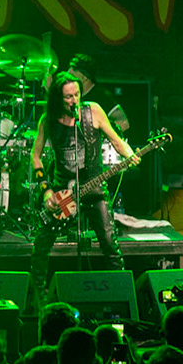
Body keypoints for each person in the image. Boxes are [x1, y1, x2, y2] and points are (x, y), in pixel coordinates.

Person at [29, 75, 136, 285]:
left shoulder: (93, 111)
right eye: (68, 97)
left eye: (77, 94)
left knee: (109, 245)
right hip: (63, 192)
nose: (74, 100)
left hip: (94, 188)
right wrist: (46, 190)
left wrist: (130, 154)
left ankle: (120, 296)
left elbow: (116, 140)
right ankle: (36, 301)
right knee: (41, 246)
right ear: (58, 98)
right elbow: (35, 156)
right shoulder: (48, 120)